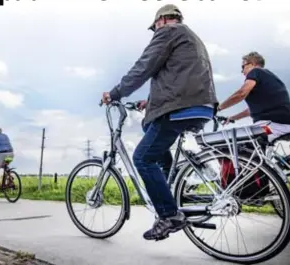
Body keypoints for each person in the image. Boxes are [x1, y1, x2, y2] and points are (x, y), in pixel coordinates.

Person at [101, 4, 218, 241]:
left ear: (162, 20)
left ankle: (168, 214)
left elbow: (144, 67)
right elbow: (180, 75)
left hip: (180, 107)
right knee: (149, 128)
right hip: (200, 105)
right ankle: (169, 183)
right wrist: (151, 100)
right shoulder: (191, 37)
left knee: (142, 158)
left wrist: (115, 93)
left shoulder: (168, 32)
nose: (154, 31)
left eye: (154, 27)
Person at [217, 51, 290, 143]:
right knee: (257, 150)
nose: (242, 71)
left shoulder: (256, 72)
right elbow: (250, 111)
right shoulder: (269, 77)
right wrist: (232, 118)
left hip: (270, 126)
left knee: (237, 143)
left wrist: (218, 108)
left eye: (243, 67)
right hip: (282, 125)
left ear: (252, 64)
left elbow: (241, 93)